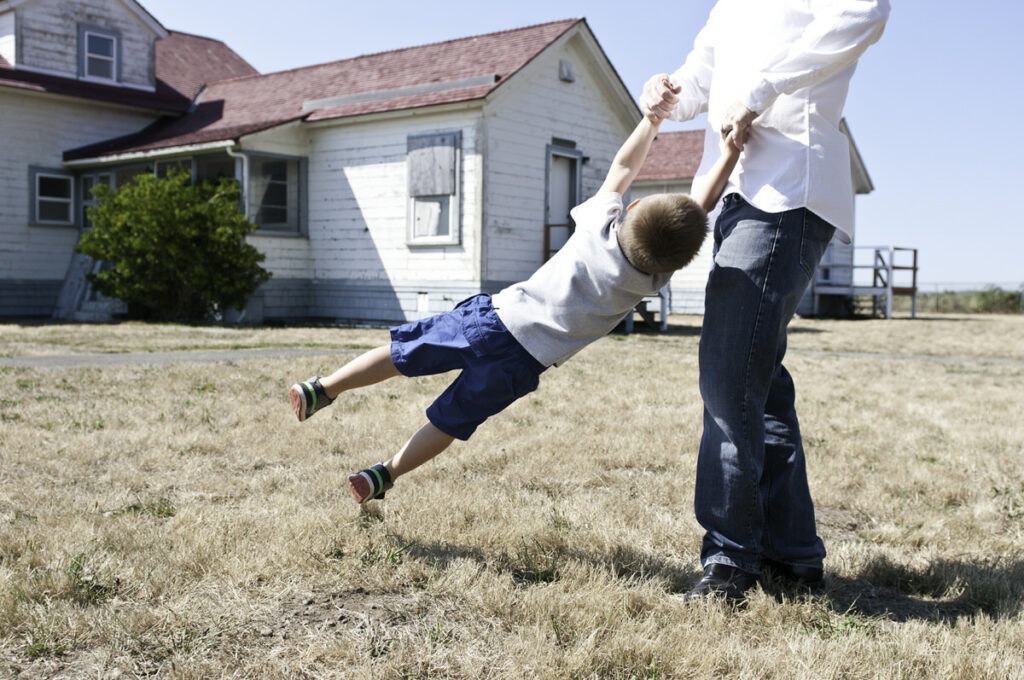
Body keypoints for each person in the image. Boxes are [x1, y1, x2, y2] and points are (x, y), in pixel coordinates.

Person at [289, 107, 741, 504]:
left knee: (402, 355)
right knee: (450, 421)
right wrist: (732, 155)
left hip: (494, 322)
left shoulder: (597, 228)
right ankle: (384, 474)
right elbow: (701, 211)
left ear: (632, 206)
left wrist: (654, 119)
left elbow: (625, 165)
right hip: (522, 366)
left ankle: (324, 389)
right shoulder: (649, 279)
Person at [639, 0, 890, 602]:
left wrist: (761, 88)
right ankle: (793, 556)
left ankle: (730, 560)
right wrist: (668, 91)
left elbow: (866, 15)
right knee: (760, 382)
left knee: (728, 377)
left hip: (788, 191)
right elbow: (700, 78)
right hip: (734, 193)